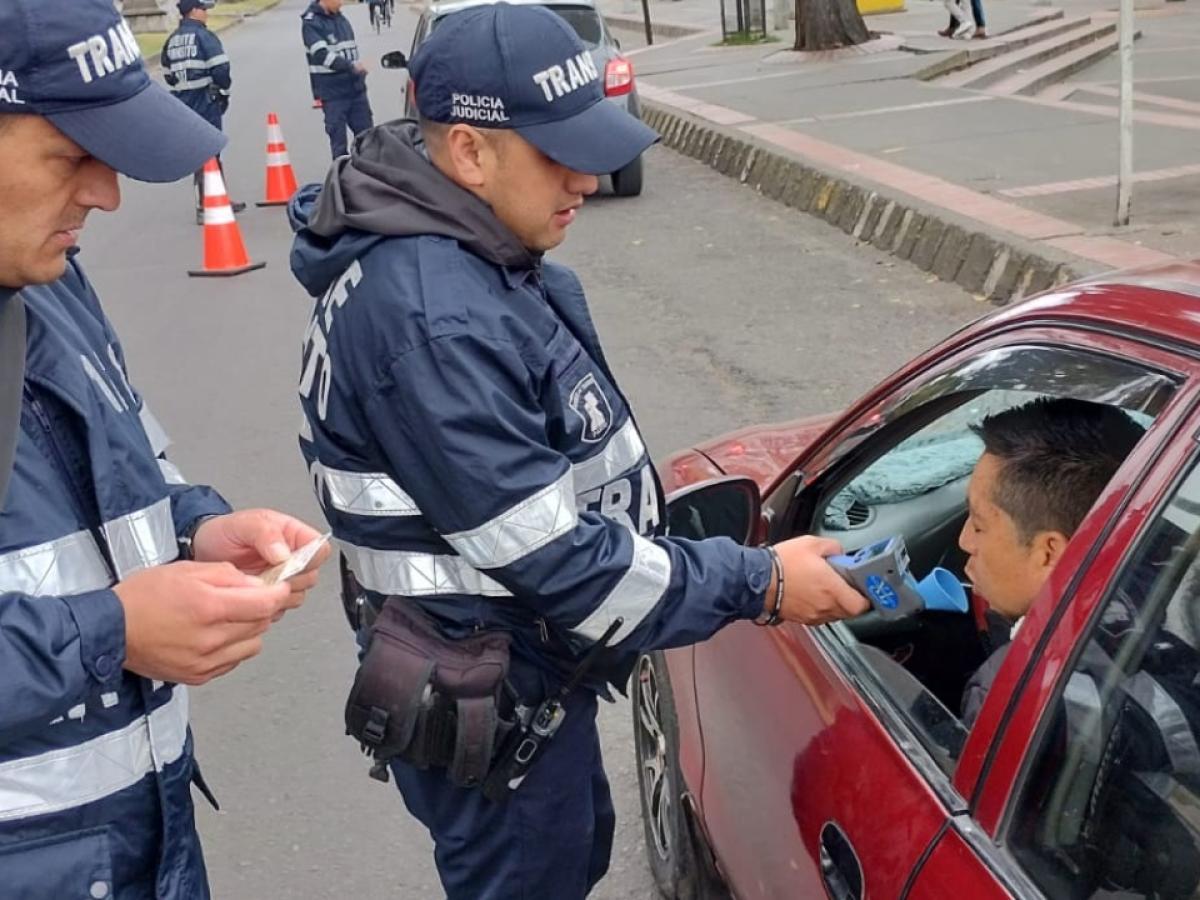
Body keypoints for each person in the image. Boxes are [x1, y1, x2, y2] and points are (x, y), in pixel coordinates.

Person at [289, 5, 869, 898]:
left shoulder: (455, 247)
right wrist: (762, 583)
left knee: (575, 851)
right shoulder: (435, 318)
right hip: (490, 679)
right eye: (557, 154)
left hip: (513, 666)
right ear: (469, 151)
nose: (587, 180)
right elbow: (558, 561)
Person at [0, 0, 333, 895]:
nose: (106, 195)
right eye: (71, 156)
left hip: (145, 842)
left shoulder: (50, 283)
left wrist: (197, 531)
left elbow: (127, 467)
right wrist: (111, 632)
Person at [958, 397, 1145, 725]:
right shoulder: (1161, 580)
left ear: (1050, 554)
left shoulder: (1013, 697)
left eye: (978, 525)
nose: (965, 541)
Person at [162, 0, 246, 223]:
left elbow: (168, 73)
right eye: (203, 9)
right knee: (209, 151)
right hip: (206, 100)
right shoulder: (204, 36)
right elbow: (221, 68)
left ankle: (217, 198)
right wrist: (224, 91)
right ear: (193, 11)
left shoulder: (172, 40)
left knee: (200, 151)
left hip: (184, 104)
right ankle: (207, 204)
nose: (206, 13)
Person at [302, 0, 373, 158]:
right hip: (333, 94)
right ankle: (342, 172)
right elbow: (322, 55)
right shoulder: (312, 23)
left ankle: (367, 170)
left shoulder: (341, 19)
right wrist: (352, 67)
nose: (341, 3)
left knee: (368, 141)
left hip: (356, 90)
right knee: (339, 146)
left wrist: (360, 72)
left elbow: (351, 52)